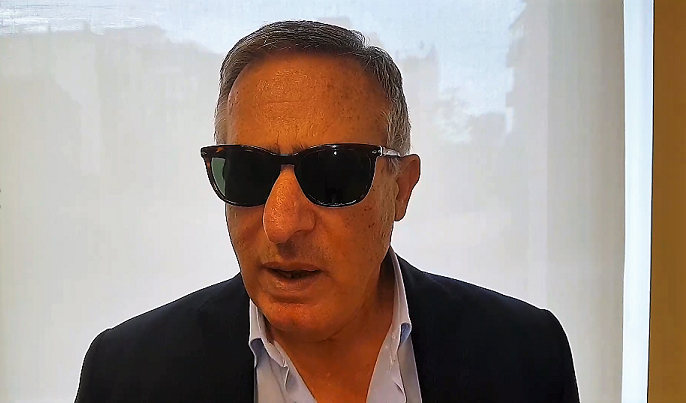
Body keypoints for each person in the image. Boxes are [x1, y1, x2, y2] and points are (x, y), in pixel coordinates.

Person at [74, 20, 579, 403]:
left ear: (401, 188)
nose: (281, 224)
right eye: (247, 171)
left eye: (334, 174)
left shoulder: (526, 357)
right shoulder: (126, 377)